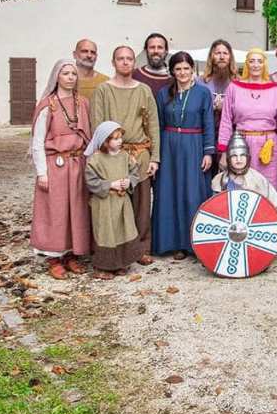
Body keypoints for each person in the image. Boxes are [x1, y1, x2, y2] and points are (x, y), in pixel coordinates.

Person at [90, 46, 160, 266]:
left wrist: (155, 157)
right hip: (112, 155)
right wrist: (101, 154)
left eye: (129, 58)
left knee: (141, 205)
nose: (125, 62)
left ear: (134, 63)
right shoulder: (103, 90)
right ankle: (117, 251)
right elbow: (97, 125)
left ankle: (141, 248)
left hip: (140, 153)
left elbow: (153, 126)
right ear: (113, 62)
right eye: (120, 58)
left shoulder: (144, 90)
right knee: (115, 205)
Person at [30, 59, 92, 279]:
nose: (70, 77)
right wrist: (42, 172)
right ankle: (54, 258)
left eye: (73, 74)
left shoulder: (82, 103)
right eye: (65, 73)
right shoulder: (48, 105)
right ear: (57, 76)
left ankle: (72, 254)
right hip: (55, 165)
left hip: (78, 163)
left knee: (76, 210)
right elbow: (37, 142)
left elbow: (88, 136)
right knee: (55, 211)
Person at [152, 51, 215, 259]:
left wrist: (208, 152)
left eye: (186, 68)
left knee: (192, 192)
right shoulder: (163, 93)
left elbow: (208, 123)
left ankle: (195, 242)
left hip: (194, 145)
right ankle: (174, 243)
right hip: (169, 147)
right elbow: (158, 124)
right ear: (172, 71)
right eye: (178, 69)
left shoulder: (203, 93)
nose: (182, 72)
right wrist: (157, 154)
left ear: (192, 69)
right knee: (170, 192)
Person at [218, 48, 277, 193]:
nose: (256, 65)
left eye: (259, 61)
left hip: (268, 145)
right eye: (252, 61)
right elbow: (226, 121)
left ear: (264, 64)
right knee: (241, 186)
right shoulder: (234, 87)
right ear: (247, 64)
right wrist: (224, 152)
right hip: (241, 143)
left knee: (268, 188)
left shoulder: (276, 89)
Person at [84, 121, 145, 279]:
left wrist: (129, 182)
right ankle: (103, 267)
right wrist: (111, 184)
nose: (120, 141)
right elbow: (91, 181)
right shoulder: (96, 160)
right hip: (104, 204)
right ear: (105, 141)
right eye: (115, 138)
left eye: (120, 138)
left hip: (122, 202)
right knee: (106, 233)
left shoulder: (125, 156)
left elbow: (134, 173)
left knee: (122, 231)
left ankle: (120, 263)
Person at [211, 130, 277, 212]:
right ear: (228, 159)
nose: (239, 160)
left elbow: (276, 203)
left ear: (248, 158)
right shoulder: (221, 179)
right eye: (234, 156)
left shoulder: (257, 178)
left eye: (242, 155)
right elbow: (215, 207)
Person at [198, 39, 236, 171]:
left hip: (231, 138)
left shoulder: (238, 83)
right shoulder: (200, 82)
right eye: (217, 53)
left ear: (230, 57)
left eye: (225, 53)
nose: (221, 57)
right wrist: (211, 107)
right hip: (205, 136)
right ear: (211, 57)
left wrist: (225, 108)